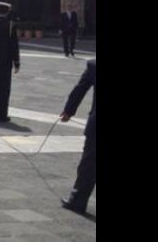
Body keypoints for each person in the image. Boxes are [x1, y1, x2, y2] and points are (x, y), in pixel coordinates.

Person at [60, 59, 96, 215]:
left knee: (89, 164)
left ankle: (78, 200)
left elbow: (80, 89)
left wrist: (69, 110)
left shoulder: (94, 65)